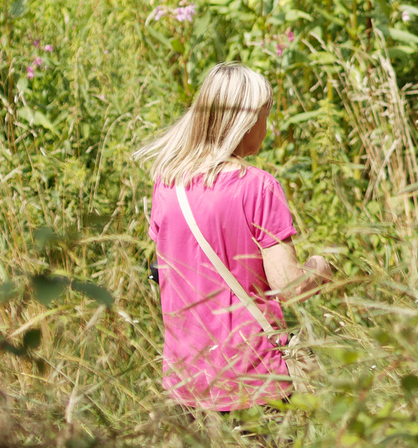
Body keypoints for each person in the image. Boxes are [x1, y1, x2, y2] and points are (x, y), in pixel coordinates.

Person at [136, 62, 331, 412]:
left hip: (186, 383)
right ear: (244, 122)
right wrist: (321, 268)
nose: (266, 128)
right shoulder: (258, 187)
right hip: (254, 383)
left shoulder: (167, 184)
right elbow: (290, 288)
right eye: (264, 116)